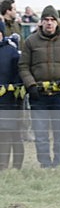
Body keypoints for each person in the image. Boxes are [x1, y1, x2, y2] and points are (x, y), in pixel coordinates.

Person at [19, 5, 60, 168]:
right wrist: (30, 84)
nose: (49, 23)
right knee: (40, 132)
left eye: (52, 20)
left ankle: (59, 161)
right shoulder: (30, 42)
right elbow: (23, 65)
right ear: (41, 22)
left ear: (57, 22)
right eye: (46, 20)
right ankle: (45, 162)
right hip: (38, 95)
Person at [0, 19, 24, 170]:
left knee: (13, 133)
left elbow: (19, 74)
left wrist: (13, 90)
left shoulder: (11, 52)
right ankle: (2, 166)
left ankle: (16, 166)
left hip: (10, 101)